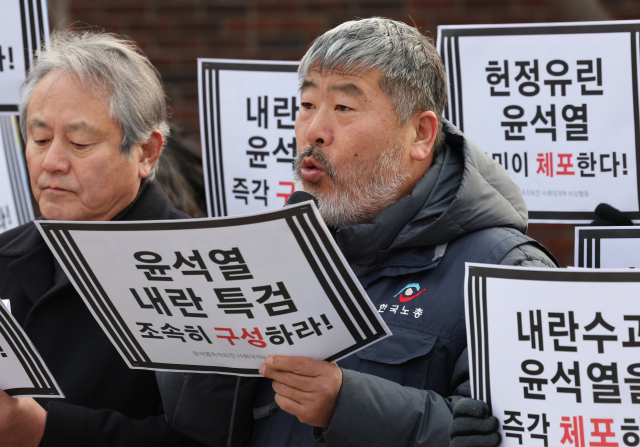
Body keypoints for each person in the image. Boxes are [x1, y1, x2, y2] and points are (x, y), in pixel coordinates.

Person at [157, 17, 558, 447]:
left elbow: (529, 432)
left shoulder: (504, 268)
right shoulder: (276, 251)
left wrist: (347, 405)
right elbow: (200, 426)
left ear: (421, 134)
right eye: (307, 105)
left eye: (344, 109)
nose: (313, 131)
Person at [0, 30, 241, 447]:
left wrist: (42, 431)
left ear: (146, 153)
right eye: (39, 139)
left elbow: (208, 438)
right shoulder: (6, 255)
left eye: (79, 142)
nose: (52, 161)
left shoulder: (204, 272)